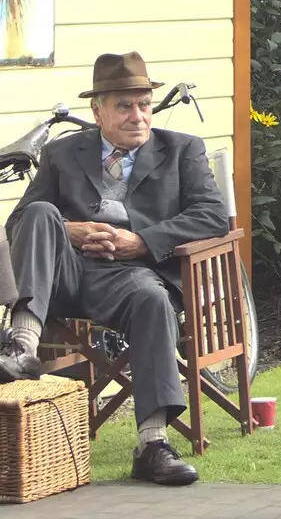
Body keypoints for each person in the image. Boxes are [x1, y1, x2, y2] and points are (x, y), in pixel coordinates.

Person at [2, 53, 230, 486]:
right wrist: (69, 230)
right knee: (40, 214)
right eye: (124, 106)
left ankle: (152, 443)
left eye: (144, 104)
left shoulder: (181, 149)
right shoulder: (61, 153)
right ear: (98, 110)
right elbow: (17, 223)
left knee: (152, 299)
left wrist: (142, 241)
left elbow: (212, 216)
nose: (138, 115)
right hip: (62, 276)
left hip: (129, 276)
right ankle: (22, 348)